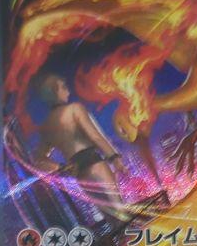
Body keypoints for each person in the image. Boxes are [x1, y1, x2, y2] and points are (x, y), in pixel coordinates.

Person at [29, 72, 129, 220]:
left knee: (110, 218)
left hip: (80, 174)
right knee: (121, 213)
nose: (68, 91)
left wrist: (61, 167)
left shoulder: (46, 127)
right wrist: (115, 158)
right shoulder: (75, 108)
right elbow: (95, 136)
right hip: (95, 164)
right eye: (63, 87)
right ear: (55, 92)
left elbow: (38, 159)